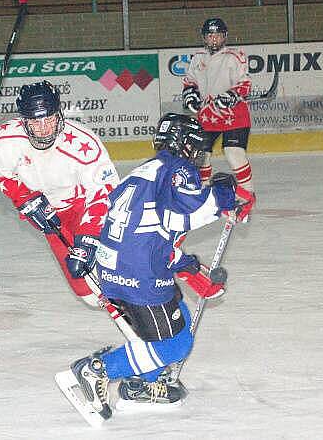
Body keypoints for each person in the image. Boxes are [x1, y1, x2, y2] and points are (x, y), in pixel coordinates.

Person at [60, 113, 254, 420]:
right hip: (139, 277)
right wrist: (224, 196)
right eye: (194, 147)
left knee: (178, 314)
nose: (198, 154)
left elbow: (153, 234)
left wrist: (190, 269)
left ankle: (141, 383)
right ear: (184, 145)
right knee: (176, 345)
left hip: (118, 270)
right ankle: (96, 370)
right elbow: (185, 213)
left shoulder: (145, 172)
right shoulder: (177, 170)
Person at [0, 80, 119, 307]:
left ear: (59, 115)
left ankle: (152, 330)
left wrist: (88, 237)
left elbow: (104, 193)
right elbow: (0, 175)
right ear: (23, 120)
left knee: (120, 278)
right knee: (89, 294)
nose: (44, 128)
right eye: (35, 122)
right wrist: (24, 198)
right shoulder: (5, 141)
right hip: (51, 217)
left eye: (49, 119)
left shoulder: (82, 143)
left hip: (85, 209)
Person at [182, 17, 256, 199]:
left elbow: (245, 83)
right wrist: (190, 95)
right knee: (200, 154)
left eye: (217, 35)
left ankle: (247, 193)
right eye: (210, 35)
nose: (214, 39)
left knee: (233, 152)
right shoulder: (197, 58)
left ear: (225, 37)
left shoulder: (235, 56)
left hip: (234, 114)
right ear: (204, 37)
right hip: (208, 115)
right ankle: (204, 191)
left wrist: (231, 95)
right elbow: (190, 81)